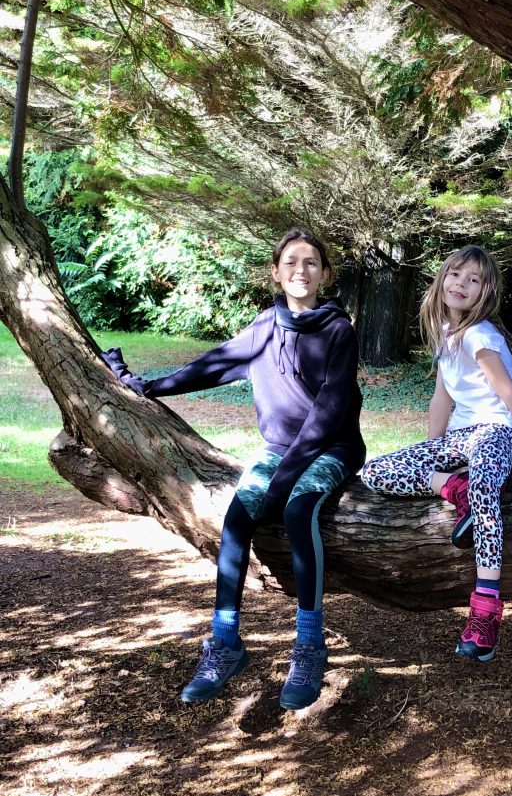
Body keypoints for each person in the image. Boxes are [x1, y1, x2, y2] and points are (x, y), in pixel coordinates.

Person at [103, 228, 365, 710]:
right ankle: (225, 642)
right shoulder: (264, 326)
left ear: (325, 274)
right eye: (290, 262)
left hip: (334, 446)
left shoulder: (338, 331)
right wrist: (149, 387)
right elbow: (213, 364)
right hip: (279, 448)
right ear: (276, 272)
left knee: (296, 510)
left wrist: (284, 481)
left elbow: (330, 412)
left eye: (311, 263)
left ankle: (309, 645)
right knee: (237, 519)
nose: (300, 271)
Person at [360, 245, 512, 663]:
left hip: (497, 432)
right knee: (374, 470)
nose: (461, 284)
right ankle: (455, 490)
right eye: (456, 274)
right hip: (460, 436)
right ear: (442, 279)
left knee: (485, 488)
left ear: (485, 292)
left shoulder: (480, 335)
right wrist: (435, 454)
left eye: (474, 280)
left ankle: (485, 609)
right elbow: (440, 398)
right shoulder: (446, 334)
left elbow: (510, 397)